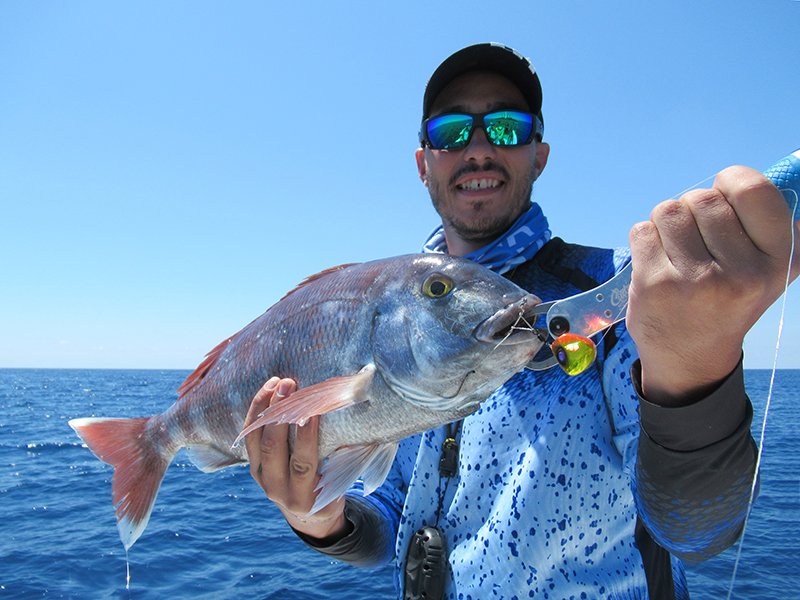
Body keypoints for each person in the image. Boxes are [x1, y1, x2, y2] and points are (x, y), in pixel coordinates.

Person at [243, 44, 799, 599]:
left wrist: (697, 377)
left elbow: (699, 530)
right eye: (452, 131)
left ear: (539, 155)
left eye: (507, 128)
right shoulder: (399, 322)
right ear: (423, 163)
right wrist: (321, 520)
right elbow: (387, 523)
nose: (479, 147)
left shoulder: (629, 295)